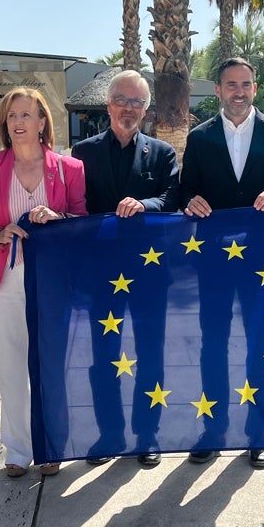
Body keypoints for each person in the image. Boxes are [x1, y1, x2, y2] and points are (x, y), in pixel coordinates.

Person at [180, 57, 264, 468]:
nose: (239, 91)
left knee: (259, 345)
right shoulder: (199, 138)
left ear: (254, 87)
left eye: (246, 84)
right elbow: (185, 192)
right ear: (218, 89)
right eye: (231, 84)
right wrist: (189, 201)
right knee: (212, 344)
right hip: (212, 259)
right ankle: (213, 428)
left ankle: (258, 431)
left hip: (260, 261)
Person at [0, 87, 86, 478]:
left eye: (26, 115)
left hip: (53, 281)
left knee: (52, 361)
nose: (18, 122)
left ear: (42, 122)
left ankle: (52, 444)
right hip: (4, 279)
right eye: (11, 116)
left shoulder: (69, 169)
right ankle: (18, 448)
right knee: (13, 363)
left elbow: (80, 221)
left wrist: (57, 218)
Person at [71, 70, 178, 467]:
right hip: (102, 275)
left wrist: (143, 205)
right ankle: (110, 433)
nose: (129, 108)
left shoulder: (163, 153)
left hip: (150, 274)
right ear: (109, 103)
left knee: (150, 353)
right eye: (122, 99)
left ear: (146, 110)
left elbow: (172, 198)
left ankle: (147, 434)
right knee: (104, 355)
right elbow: (73, 205)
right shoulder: (82, 153)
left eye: (137, 102)